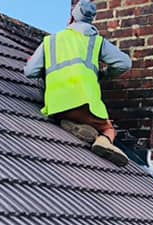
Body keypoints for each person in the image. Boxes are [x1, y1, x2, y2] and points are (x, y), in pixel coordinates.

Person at [25, 0, 132, 166]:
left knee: (71, 116)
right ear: (90, 20)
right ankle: (102, 140)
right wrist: (103, 75)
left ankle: (71, 125)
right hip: (85, 105)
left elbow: (30, 71)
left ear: (71, 19)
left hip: (56, 106)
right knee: (109, 129)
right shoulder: (96, 41)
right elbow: (125, 63)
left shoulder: (51, 41)